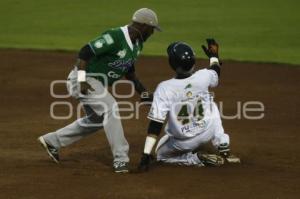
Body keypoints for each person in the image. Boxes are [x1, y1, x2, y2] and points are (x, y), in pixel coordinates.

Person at [38, 8, 161, 173]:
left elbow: (129, 71)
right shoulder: (116, 36)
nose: (152, 33)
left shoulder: (137, 44)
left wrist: (143, 92)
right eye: (152, 29)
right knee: (111, 108)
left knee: (96, 120)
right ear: (144, 26)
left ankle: (52, 141)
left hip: (96, 83)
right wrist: (81, 80)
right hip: (84, 79)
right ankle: (121, 160)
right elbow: (85, 51)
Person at [138, 39, 240, 171]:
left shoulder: (164, 88)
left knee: (160, 155)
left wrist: (146, 154)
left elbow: (156, 124)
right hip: (207, 130)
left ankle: (195, 159)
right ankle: (222, 142)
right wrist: (214, 55)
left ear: (172, 64)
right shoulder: (204, 76)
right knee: (210, 102)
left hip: (184, 143)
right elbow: (215, 70)